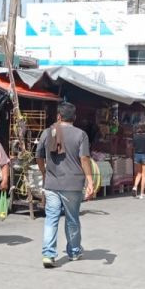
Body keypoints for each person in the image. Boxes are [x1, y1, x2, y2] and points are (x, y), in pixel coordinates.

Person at [35, 102, 94, 268]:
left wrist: (44, 172)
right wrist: (90, 180)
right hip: (73, 183)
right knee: (72, 219)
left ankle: (48, 254)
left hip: (52, 183)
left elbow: (38, 156)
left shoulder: (47, 132)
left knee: (51, 219)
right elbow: (84, 158)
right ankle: (74, 251)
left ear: (58, 116)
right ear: (74, 117)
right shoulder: (81, 135)